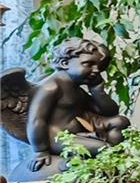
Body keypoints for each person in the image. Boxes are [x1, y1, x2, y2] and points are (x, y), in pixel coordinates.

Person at [27, 37, 132, 172]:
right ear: (65, 63)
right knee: (104, 149)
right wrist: (40, 151)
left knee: (120, 121)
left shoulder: (76, 88)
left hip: (78, 131)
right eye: (88, 64)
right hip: (58, 138)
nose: (96, 71)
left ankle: (106, 167)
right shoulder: (50, 87)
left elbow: (109, 112)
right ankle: (102, 166)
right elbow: (36, 120)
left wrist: (97, 90)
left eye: (98, 67)